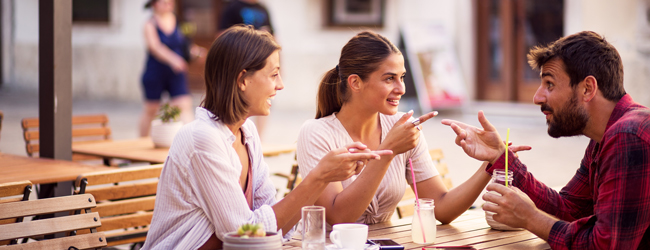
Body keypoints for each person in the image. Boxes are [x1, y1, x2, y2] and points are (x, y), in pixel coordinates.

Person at [141, 25, 391, 250]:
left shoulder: (246, 133)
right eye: (273, 74)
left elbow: (274, 221)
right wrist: (320, 176)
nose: (280, 84)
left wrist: (323, 179)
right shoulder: (202, 138)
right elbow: (242, 234)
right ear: (242, 80)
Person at [296, 31, 530, 226]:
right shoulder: (316, 133)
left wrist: (491, 164)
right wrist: (388, 150)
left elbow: (441, 207)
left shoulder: (404, 128)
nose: (401, 88)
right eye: (389, 79)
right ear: (356, 82)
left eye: (402, 77)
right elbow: (339, 217)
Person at [442, 31, 650, 249]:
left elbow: (604, 246)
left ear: (587, 88)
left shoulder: (627, 136)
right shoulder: (606, 136)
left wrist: (530, 218)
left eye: (549, 84)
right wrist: (500, 156)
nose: (537, 97)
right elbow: (569, 209)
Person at [217, 0, 275, 140]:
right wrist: (251, 36)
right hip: (240, 62)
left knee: (265, 98)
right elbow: (221, 36)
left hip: (262, 62)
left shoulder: (263, 8)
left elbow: (273, 36)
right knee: (237, 99)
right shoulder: (232, 7)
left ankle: (259, 140)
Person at [139, 0, 197, 137]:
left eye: (170, 2)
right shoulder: (149, 24)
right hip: (156, 72)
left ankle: (191, 141)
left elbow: (185, 43)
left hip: (176, 73)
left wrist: (195, 52)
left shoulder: (178, 21)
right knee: (151, 110)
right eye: (164, 2)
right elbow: (155, 47)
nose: (168, 5)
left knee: (184, 106)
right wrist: (173, 60)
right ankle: (141, 141)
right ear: (154, 5)